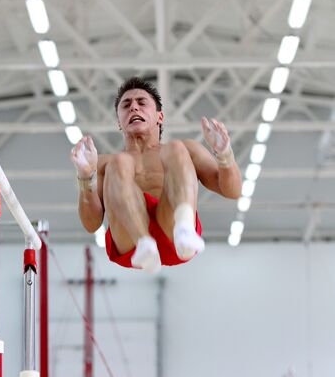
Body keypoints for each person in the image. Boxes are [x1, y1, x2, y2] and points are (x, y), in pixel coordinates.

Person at [70, 77, 242, 274]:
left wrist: (225, 155)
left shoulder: (187, 150)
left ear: (160, 117)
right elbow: (91, 224)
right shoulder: (103, 163)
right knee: (120, 161)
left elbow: (233, 191)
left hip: (172, 229)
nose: (134, 108)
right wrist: (85, 177)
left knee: (175, 148)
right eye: (126, 105)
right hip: (130, 241)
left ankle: (183, 228)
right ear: (119, 122)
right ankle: (143, 242)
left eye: (141, 103)